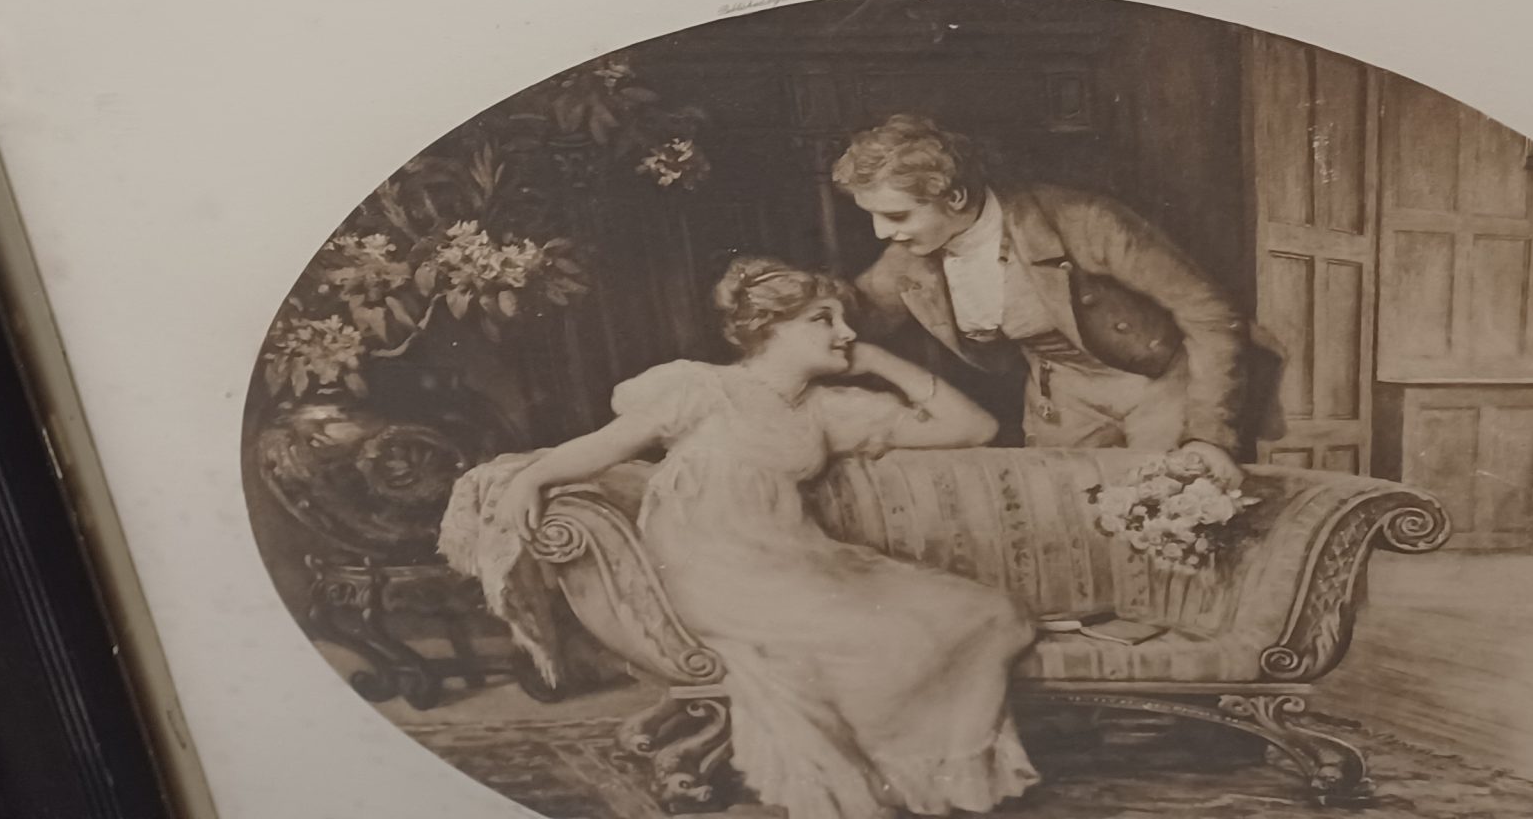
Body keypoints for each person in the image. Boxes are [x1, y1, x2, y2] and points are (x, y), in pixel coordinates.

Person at [496, 257, 1039, 819]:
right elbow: (607, 445)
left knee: (986, 612)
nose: (845, 334)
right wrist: (534, 477)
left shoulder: (824, 410)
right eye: (822, 319)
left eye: (843, 320)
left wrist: (880, 361)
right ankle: (886, 778)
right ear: (767, 328)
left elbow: (973, 428)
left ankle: (920, 773)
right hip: (711, 568)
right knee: (882, 637)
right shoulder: (703, 389)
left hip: (796, 561)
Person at [836, 114, 1250, 477]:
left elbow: (1209, 313)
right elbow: (854, 313)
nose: (881, 232)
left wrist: (1209, 433)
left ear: (955, 197)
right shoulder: (908, 258)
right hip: (1061, 396)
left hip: (1156, 384)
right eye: (872, 216)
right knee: (1063, 504)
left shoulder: (1084, 221)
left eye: (896, 215)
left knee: (1163, 499)